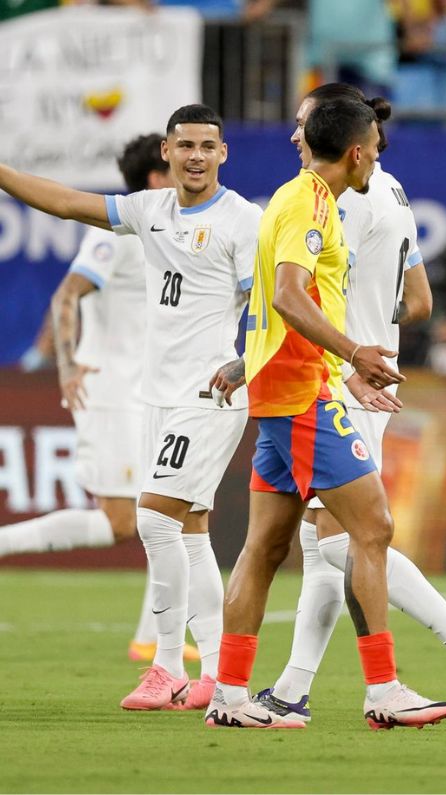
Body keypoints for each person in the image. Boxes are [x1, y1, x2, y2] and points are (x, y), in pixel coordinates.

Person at [255, 83, 446, 727]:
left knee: (348, 543)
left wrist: (349, 345)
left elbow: (296, 293)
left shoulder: (335, 203)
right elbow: (419, 302)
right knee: (323, 545)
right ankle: (292, 688)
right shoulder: (392, 190)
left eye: (304, 125)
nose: (296, 138)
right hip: (368, 370)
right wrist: (376, 328)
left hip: (338, 376)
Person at [203, 98, 446, 731]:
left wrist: (270, 364)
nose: (378, 154)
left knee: (264, 547)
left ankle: (231, 696)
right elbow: (288, 295)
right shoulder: (311, 202)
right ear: (354, 151)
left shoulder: (294, 201)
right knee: (370, 530)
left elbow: (277, 295)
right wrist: (353, 355)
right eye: (374, 145)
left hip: (281, 386)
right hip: (300, 391)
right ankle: (384, 689)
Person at [0, 105, 261, 713]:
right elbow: (66, 202)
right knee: (191, 532)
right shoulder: (149, 211)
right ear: (166, 154)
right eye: (185, 145)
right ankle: (219, 674)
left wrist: (244, 362)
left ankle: (166, 665)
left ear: (224, 154)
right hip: (156, 395)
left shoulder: (242, 220)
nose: (196, 155)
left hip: (211, 392)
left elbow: (266, 304)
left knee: (152, 520)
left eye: (208, 145)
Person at [0, 134, 203, 665]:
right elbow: (66, 293)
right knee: (125, 522)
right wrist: (66, 367)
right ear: (156, 178)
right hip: (110, 390)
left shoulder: (172, 233)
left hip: (150, 392)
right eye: (174, 161)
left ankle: (151, 640)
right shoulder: (118, 233)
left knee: (167, 514)